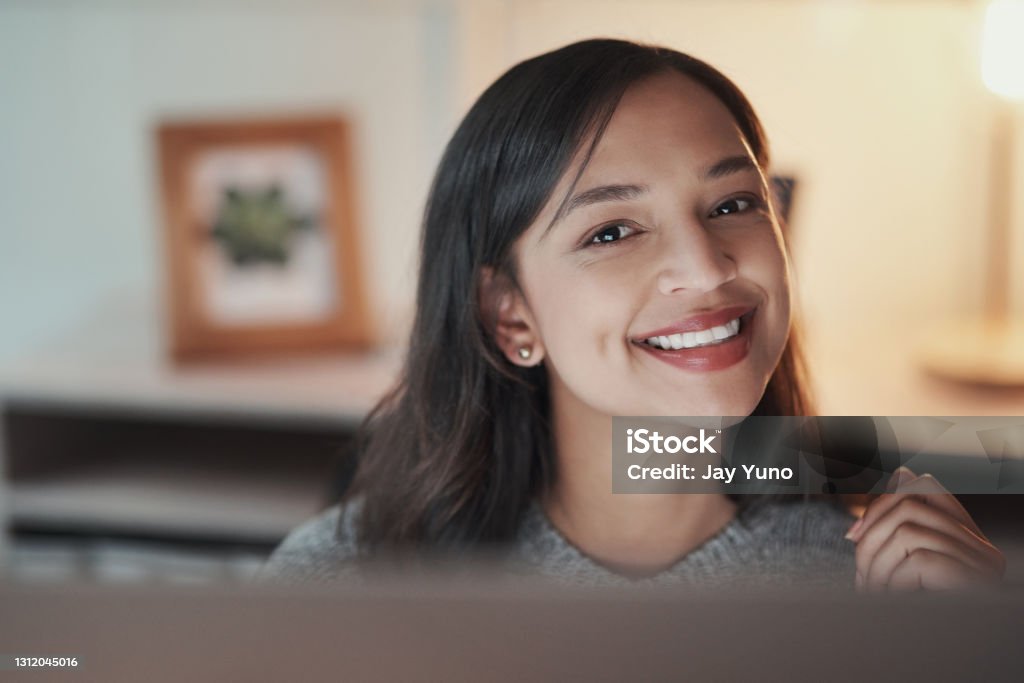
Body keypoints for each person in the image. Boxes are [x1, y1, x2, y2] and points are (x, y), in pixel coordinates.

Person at [262, 38, 1004, 590]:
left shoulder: (895, 587)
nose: (705, 266)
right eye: (611, 231)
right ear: (509, 316)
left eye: (733, 204)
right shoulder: (335, 584)